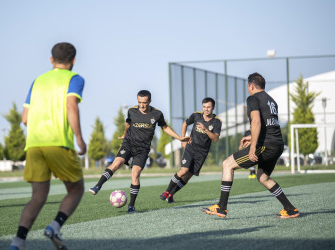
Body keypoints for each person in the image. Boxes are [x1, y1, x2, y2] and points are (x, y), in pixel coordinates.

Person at [9, 42, 87, 250]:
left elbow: (25, 118)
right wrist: (79, 137)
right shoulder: (74, 79)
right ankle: (54, 226)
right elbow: (71, 105)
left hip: (34, 146)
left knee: (38, 197)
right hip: (58, 143)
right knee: (76, 188)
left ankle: (17, 242)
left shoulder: (38, 81)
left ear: (51, 60)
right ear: (74, 61)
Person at [201, 72, 299, 219]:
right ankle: (290, 209)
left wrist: (253, 147)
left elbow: (256, 121)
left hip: (265, 145)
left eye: (248, 86)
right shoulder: (271, 100)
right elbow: (269, 125)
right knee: (263, 177)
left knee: (227, 164)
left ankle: (221, 207)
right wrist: (251, 137)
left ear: (251, 85)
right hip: (277, 144)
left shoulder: (253, 98)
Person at [88, 90, 189, 213]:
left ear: (150, 101)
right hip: (128, 144)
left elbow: (165, 127)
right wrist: (124, 135)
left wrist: (179, 138)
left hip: (143, 149)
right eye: (139, 102)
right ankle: (97, 186)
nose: (142, 105)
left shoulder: (157, 114)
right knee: (116, 163)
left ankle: (131, 205)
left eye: (145, 103)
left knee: (135, 173)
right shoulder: (132, 111)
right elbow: (127, 124)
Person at [160, 97, 222, 203]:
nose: (206, 109)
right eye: (204, 107)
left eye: (208, 107)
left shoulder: (217, 121)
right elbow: (185, 124)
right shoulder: (196, 115)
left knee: (188, 176)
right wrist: (183, 140)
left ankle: (171, 194)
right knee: (184, 170)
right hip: (191, 147)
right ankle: (166, 191)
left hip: (202, 153)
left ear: (213, 107)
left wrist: (206, 130)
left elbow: (215, 138)